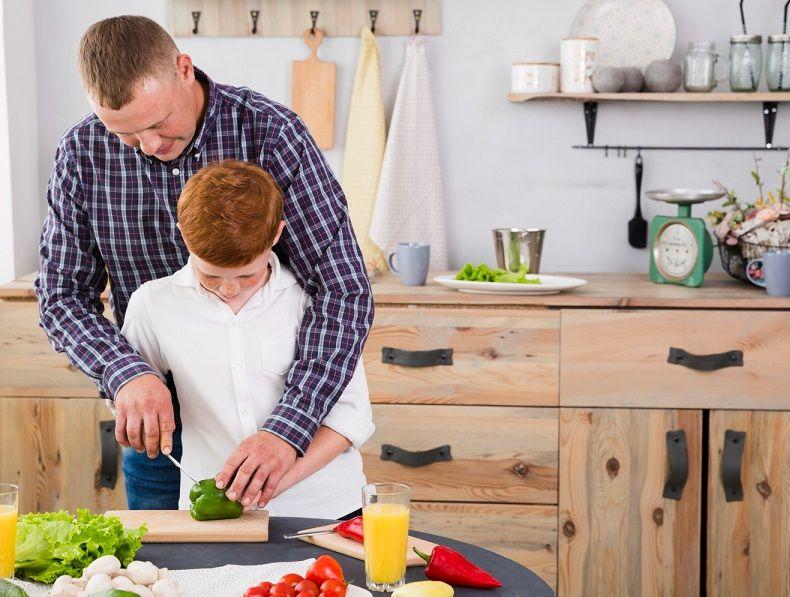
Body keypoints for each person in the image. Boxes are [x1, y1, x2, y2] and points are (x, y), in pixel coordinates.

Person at [35, 15, 373, 509]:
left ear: (184, 70)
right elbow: (62, 297)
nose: (149, 146)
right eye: (126, 135)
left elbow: (342, 288)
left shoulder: (270, 133)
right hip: (158, 434)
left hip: (274, 412)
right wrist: (126, 371)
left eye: (156, 124)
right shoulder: (82, 152)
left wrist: (288, 429)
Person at [120, 160, 373, 517]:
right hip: (212, 516)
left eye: (247, 276)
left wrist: (271, 484)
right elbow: (135, 400)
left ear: (276, 235)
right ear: (183, 234)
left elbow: (349, 417)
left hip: (326, 510)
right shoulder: (152, 303)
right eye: (210, 275)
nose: (228, 289)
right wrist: (131, 403)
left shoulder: (313, 303)